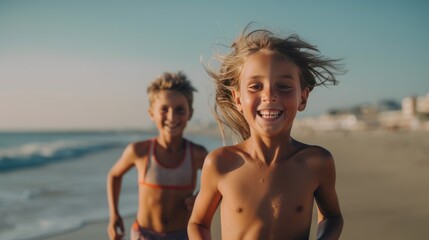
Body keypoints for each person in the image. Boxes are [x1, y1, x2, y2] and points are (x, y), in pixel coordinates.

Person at [188, 26, 344, 240]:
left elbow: (332, 217)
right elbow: (198, 223)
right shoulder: (221, 163)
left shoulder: (316, 162)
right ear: (238, 98)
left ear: (303, 98)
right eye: (255, 86)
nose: (269, 95)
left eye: (284, 86)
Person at [107, 71, 208, 240]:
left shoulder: (197, 154)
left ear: (190, 113)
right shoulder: (139, 151)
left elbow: (219, 183)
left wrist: (200, 196)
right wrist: (114, 214)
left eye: (180, 110)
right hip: (144, 235)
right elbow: (114, 175)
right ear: (151, 113)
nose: (172, 116)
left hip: (182, 235)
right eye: (164, 109)